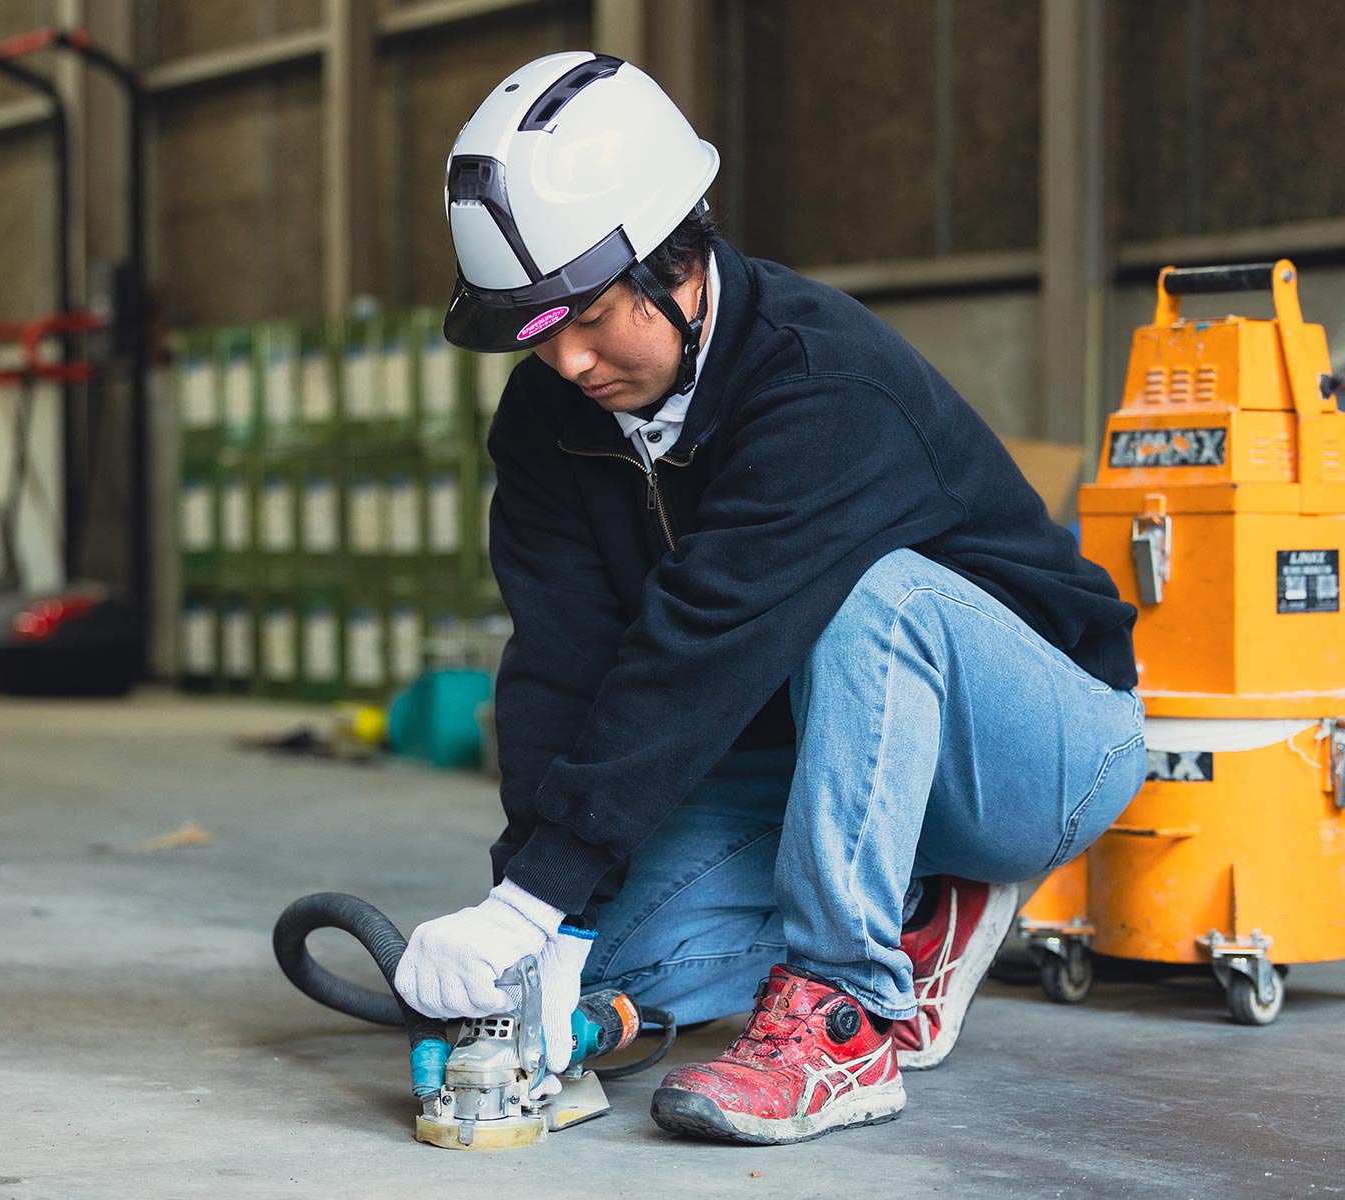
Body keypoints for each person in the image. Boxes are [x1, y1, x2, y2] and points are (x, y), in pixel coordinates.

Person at [393, 51, 1145, 1145]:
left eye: (590, 314)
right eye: (531, 328)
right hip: (818, 755)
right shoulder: (547, 423)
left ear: (676, 260)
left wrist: (538, 895)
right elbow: (562, 659)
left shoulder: (821, 384)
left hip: (1042, 749)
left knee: (870, 593)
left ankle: (846, 1013)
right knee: (625, 960)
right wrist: (533, 919)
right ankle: (915, 903)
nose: (563, 359)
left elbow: (701, 639)